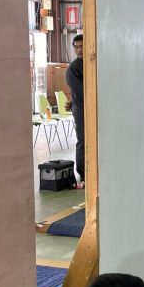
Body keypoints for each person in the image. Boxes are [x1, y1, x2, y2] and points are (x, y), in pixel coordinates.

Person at [65, 33, 85, 184]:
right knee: (83, 140)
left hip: (89, 106)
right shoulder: (73, 68)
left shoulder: (92, 63)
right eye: (76, 47)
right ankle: (84, 173)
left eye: (82, 46)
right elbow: (80, 93)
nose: (79, 49)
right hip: (81, 109)